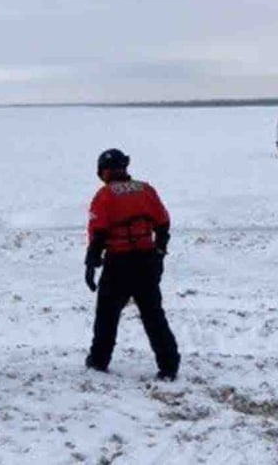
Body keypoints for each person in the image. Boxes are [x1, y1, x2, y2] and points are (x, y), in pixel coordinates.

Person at [84, 148, 180, 381]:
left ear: (105, 171)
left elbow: (98, 235)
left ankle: (99, 360)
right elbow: (163, 224)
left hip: (119, 262)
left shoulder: (104, 196)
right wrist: (159, 253)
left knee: (107, 314)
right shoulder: (146, 190)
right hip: (146, 260)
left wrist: (91, 264)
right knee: (153, 314)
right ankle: (169, 364)